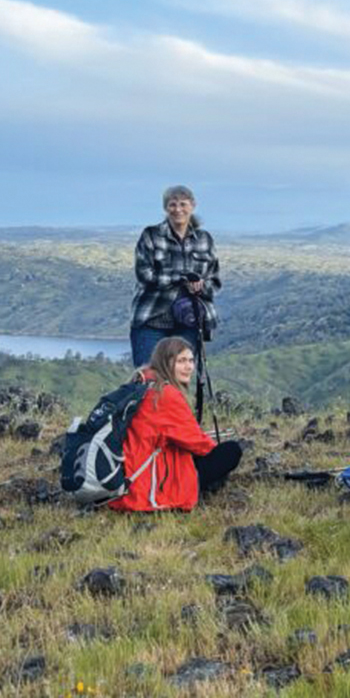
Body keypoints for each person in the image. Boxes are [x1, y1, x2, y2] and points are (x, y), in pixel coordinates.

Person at [109, 337, 242, 512]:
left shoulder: (139, 383)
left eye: (190, 360)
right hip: (143, 485)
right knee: (231, 451)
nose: (189, 367)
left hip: (124, 474)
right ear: (166, 363)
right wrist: (215, 451)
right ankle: (196, 490)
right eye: (181, 361)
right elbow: (198, 444)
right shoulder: (165, 394)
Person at [130, 185, 221, 372]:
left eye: (183, 204)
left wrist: (201, 286)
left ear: (192, 205)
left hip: (189, 322)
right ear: (166, 208)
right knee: (148, 378)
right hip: (152, 319)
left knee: (178, 381)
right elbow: (144, 274)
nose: (178, 209)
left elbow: (215, 281)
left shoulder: (204, 239)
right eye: (172, 204)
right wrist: (180, 278)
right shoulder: (151, 235)